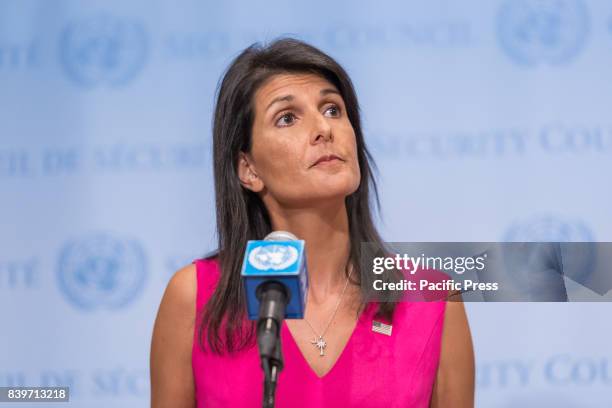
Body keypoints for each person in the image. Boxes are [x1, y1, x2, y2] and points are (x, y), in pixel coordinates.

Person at [150, 37, 474, 407]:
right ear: (249, 169)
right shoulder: (195, 296)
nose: (323, 128)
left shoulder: (431, 297)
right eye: (287, 118)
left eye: (333, 109)